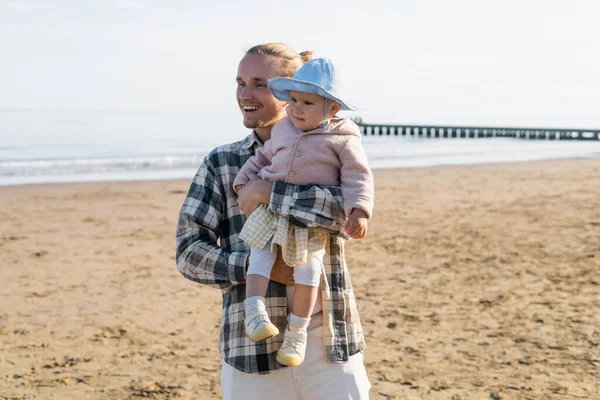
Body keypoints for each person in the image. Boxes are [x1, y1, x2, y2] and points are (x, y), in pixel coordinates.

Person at [175, 43, 371, 399]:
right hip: (252, 354)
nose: (245, 95)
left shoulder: (336, 145)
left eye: (259, 84)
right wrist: (255, 266)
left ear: (295, 93)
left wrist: (268, 191)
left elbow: (341, 212)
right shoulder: (222, 163)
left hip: (329, 344)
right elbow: (188, 252)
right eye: (240, 82)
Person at [232, 57, 374, 368]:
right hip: (270, 216)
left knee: (309, 272)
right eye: (293, 100)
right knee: (260, 255)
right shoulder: (284, 130)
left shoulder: (343, 139)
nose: (296, 108)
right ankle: (254, 310)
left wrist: (359, 210)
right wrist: (244, 181)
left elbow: (356, 177)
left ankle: (296, 333)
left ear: (333, 109)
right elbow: (260, 159)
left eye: (306, 103)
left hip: (308, 227)